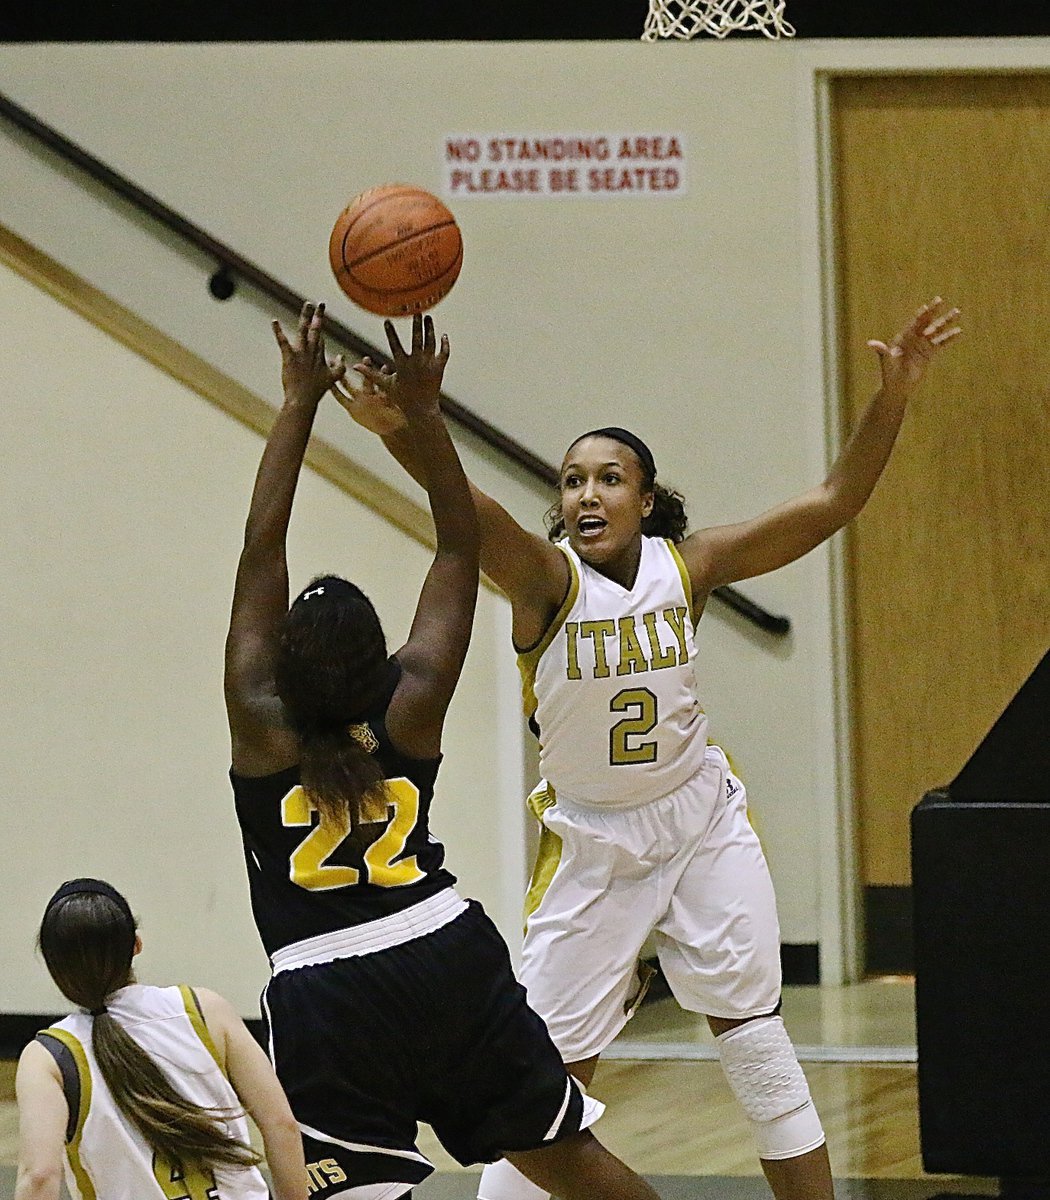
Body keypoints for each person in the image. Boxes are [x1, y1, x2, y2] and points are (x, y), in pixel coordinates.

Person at [342, 297, 963, 1200]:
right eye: (571, 480)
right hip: (594, 844)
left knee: (755, 1040)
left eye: (608, 477)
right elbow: (465, 517)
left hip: (700, 821)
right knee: (543, 1093)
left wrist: (895, 394)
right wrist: (412, 426)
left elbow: (833, 502)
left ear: (645, 498)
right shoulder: (546, 581)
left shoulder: (692, 566)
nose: (586, 493)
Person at [224, 301, 664, 1200]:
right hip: (447, 952)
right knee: (573, 1166)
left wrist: (297, 401)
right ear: (380, 658)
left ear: (283, 664)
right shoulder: (410, 705)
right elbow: (461, 538)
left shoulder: (259, 722)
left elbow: (260, 545)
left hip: (327, 991)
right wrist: (424, 415)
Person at [14, 877, 305, 1200]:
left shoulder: (48, 1057)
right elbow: (282, 1125)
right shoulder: (204, 1009)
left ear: (54, 967)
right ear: (136, 945)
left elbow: (39, 1177)